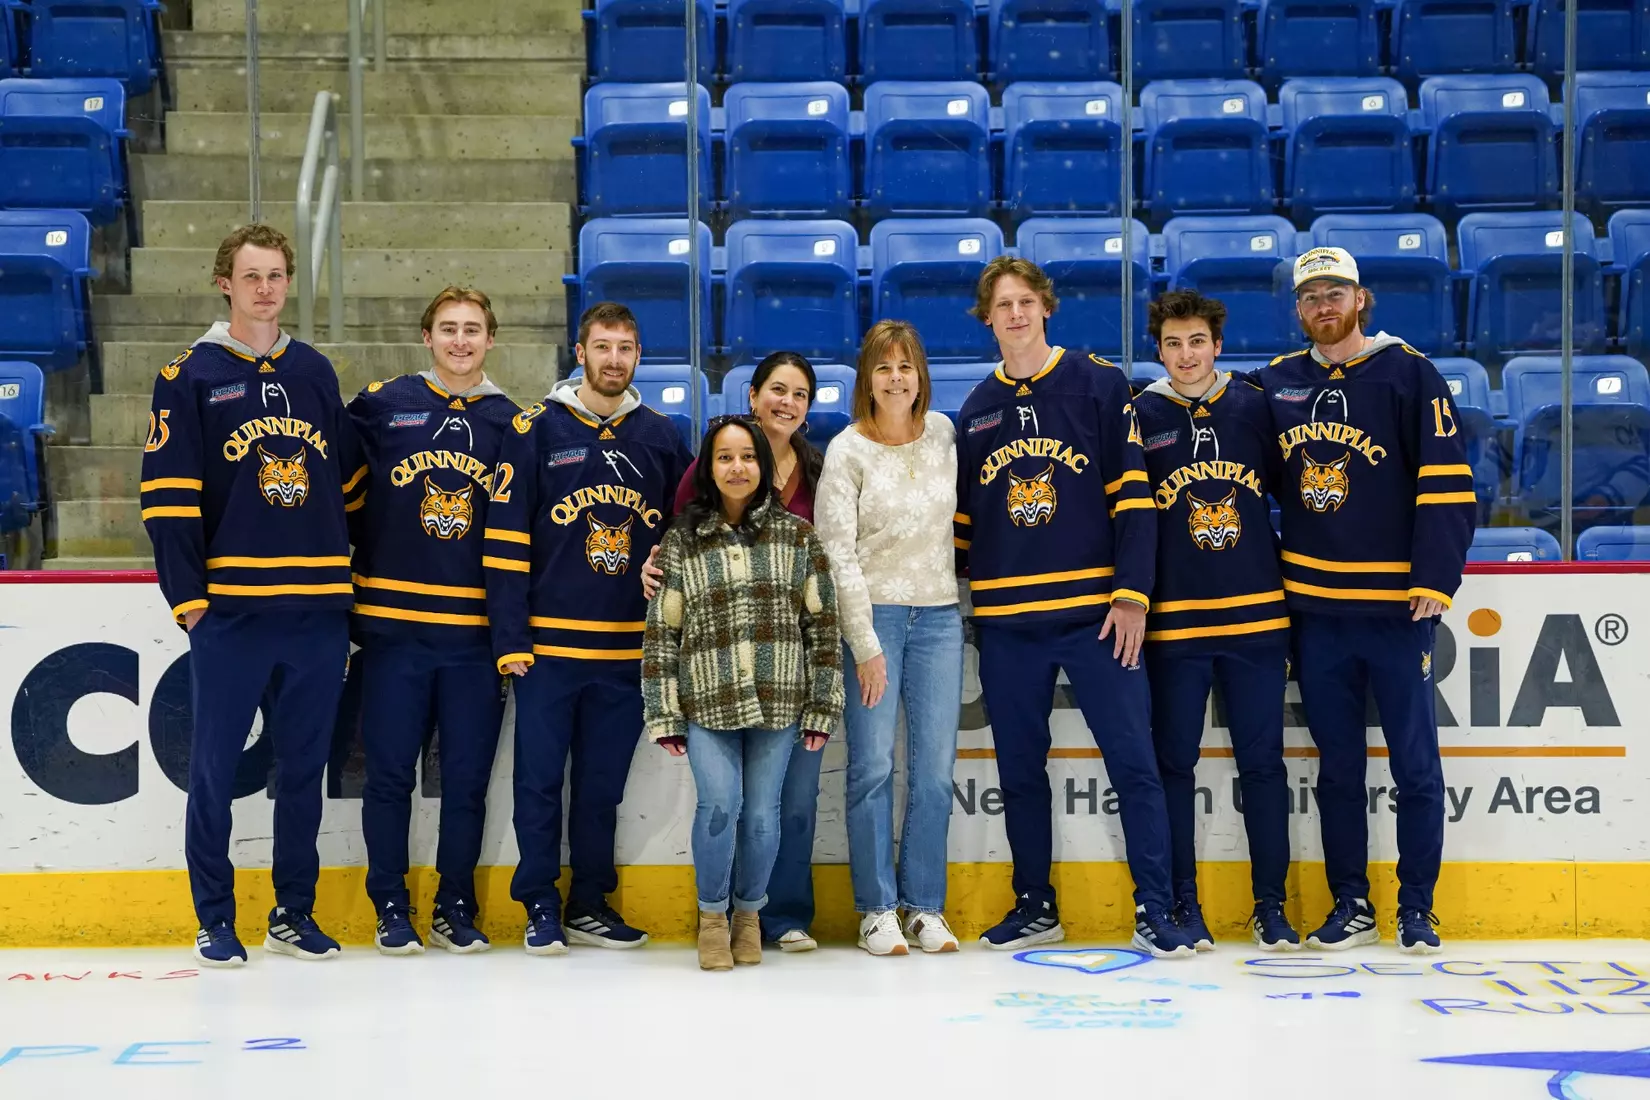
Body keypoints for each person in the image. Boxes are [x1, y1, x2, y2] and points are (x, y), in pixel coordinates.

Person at [954, 256, 1194, 958]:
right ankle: (1035, 901)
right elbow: (964, 528)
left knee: (1134, 760)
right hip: (1007, 626)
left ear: (1046, 308)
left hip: (1098, 617)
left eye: (1027, 301)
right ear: (987, 317)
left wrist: (1131, 595)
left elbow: (1134, 499)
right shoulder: (975, 411)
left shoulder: (1097, 383)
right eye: (1004, 305)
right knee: (1020, 770)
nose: (1017, 314)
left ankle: (1154, 904)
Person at [140, 224, 364, 967]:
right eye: (252, 275)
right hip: (233, 614)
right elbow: (168, 499)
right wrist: (190, 600)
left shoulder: (315, 371)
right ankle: (214, 917)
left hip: (316, 614)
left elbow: (346, 485)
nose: (266, 288)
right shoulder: (190, 375)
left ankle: (292, 913)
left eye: (277, 275)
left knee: (302, 773)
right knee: (213, 771)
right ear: (224, 284)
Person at [1251, 247, 1474, 954]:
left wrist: (1435, 578)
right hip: (1316, 613)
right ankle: (1350, 902)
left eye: (1335, 292)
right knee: (1338, 768)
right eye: (1311, 294)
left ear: (1360, 298)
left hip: (1395, 610)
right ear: (1297, 308)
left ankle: (1416, 907)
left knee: (1415, 765)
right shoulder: (1277, 385)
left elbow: (1447, 483)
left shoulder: (1409, 372)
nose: (1324, 305)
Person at [485, 301, 692, 954]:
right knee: (538, 783)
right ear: (580, 352)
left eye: (625, 348)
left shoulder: (661, 437)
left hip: (626, 651)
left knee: (601, 789)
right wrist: (510, 637)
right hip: (547, 649)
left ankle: (591, 903)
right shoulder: (535, 429)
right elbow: (505, 542)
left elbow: (683, 537)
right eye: (601, 346)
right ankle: (540, 902)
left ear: (637, 358)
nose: (613, 359)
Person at [346, 286, 520, 955]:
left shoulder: (512, 422)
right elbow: (338, 493)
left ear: (490, 340)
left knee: (467, 784)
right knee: (388, 775)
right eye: (448, 328)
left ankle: (455, 907)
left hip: (474, 639)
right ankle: (390, 903)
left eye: (473, 329)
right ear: (427, 337)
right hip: (393, 633)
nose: (460, 341)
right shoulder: (381, 405)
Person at [641, 415, 845, 971]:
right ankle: (712, 917)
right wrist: (664, 713)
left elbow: (822, 628)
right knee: (718, 806)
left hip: (781, 700)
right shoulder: (682, 540)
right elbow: (663, 632)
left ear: (764, 465)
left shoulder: (798, 537)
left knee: (761, 817)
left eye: (748, 457)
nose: (737, 468)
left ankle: (750, 915)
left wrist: (823, 705)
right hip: (708, 700)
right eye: (725, 457)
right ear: (709, 468)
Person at [1134, 290, 1296, 952]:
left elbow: (1304, 498)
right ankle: (1181, 902)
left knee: (1263, 765)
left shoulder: (1256, 406)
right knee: (1175, 766)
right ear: (1159, 350)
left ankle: (1271, 906)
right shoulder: (1142, 414)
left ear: (1217, 344)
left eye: (1196, 341)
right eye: (1172, 344)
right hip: (1175, 628)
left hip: (1257, 621)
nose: (1185, 355)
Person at [815, 320, 962, 956]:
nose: (896, 378)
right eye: (883, 368)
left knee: (933, 773)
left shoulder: (945, 436)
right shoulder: (847, 451)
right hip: (873, 619)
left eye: (906, 366)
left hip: (938, 618)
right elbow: (836, 553)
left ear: (920, 374)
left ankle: (924, 906)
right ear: (866, 381)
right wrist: (865, 641)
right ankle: (876, 908)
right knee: (873, 767)